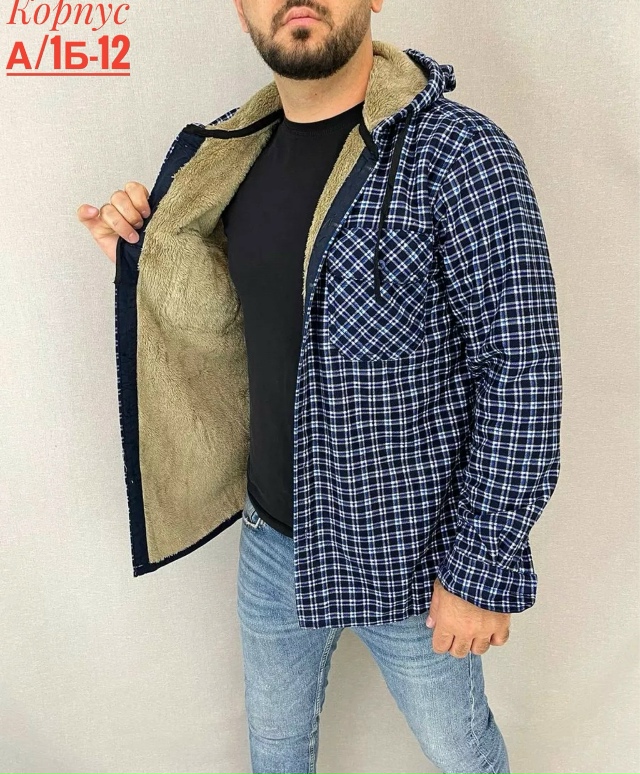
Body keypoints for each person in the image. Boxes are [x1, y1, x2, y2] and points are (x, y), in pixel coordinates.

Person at [77, 2, 562, 771]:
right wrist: (144, 258)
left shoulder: (461, 155)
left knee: (464, 754)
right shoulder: (233, 155)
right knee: (276, 752)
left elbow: (522, 371)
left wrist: (481, 568)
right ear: (242, 11)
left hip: (413, 555)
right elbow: (241, 324)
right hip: (272, 538)